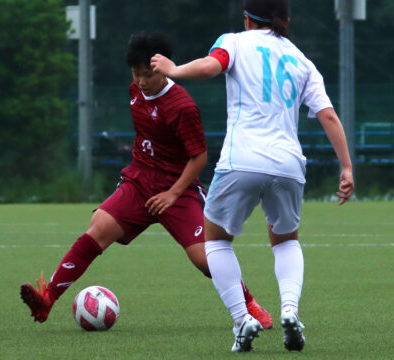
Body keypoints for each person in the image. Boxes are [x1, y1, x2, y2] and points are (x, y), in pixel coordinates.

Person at [20, 33, 272, 329]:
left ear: (164, 68)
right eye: (136, 74)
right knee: (97, 228)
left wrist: (172, 194)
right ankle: (47, 299)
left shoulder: (183, 107)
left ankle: (248, 303)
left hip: (179, 189)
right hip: (139, 181)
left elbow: (199, 158)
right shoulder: (135, 91)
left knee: (206, 259)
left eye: (148, 74)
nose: (141, 81)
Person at [151, 0, 354, 352]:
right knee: (287, 240)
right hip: (289, 164)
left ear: (246, 19)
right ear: (286, 21)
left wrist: (175, 70)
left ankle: (242, 319)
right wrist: (347, 167)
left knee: (215, 240)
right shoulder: (302, 61)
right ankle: (290, 310)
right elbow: (329, 116)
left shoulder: (234, 41)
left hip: (241, 159)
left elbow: (212, 66)